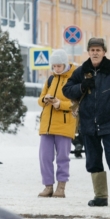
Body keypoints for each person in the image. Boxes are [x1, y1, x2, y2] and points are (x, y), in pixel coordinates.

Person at [63, 37, 110, 208]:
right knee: (93, 160)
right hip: (88, 124)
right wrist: (81, 87)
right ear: (89, 52)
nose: (95, 53)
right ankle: (100, 197)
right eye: (92, 50)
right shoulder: (81, 71)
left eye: (98, 50)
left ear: (104, 52)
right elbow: (66, 90)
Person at [37, 49, 77, 198]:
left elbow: (76, 104)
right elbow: (40, 99)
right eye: (54, 66)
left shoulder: (73, 79)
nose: (56, 69)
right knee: (45, 157)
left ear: (65, 64)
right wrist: (45, 100)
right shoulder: (50, 79)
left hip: (65, 125)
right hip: (47, 125)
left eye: (59, 66)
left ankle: (61, 187)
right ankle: (48, 186)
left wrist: (60, 103)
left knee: (62, 157)